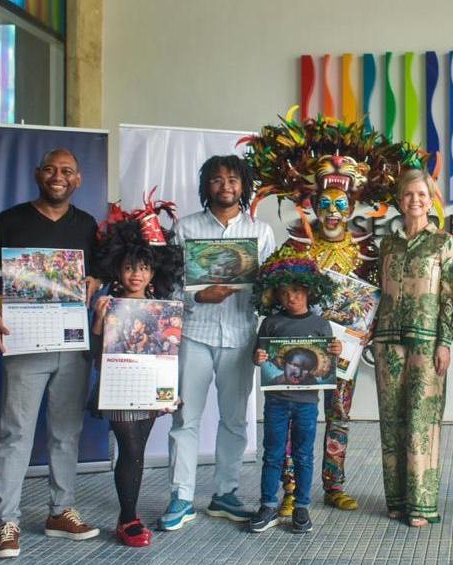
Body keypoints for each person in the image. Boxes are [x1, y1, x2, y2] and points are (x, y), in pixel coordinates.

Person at [0, 149, 101, 559]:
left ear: (77, 179)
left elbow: (98, 273)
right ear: (37, 174)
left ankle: (60, 511)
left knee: (66, 432)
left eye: (67, 171)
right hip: (25, 344)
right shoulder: (8, 221)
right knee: (15, 434)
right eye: (50, 169)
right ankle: (6, 521)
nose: (57, 176)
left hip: (72, 344)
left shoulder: (87, 225)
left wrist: (95, 280)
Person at [160, 155, 275, 530]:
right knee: (185, 418)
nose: (226, 186)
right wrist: (197, 297)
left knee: (235, 420)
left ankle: (225, 492)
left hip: (241, 336)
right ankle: (181, 497)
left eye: (233, 179)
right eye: (217, 179)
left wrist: (266, 296)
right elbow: (168, 286)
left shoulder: (261, 232)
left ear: (244, 185)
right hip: (194, 333)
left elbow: (273, 288)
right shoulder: (185, 228)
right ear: (205, 185)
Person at [263, 155, 380, 515]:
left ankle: (334, 485)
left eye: (340, 205)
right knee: (291, 417)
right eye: (325, 204)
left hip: (342, 352)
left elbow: (377, 301)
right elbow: (268, 292)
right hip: (297, 352)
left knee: (339, 416)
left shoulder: (366, 253)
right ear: (313, 205)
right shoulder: (295, 247)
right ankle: (290, 489)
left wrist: (368, 332)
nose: (332, 212)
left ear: (351, 208)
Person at [89, 202, 185, 547]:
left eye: (143, 268)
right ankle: (129, 518)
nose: (136, 275)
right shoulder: (108, 303)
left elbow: (168, 353)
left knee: (138, 452)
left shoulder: (163, 307)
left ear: (153, 271)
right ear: (117, 268)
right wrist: (99, 320)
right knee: (130, 451)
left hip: (150, 388)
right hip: (118, 387)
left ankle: (125, 516)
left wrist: (170, 388)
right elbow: (95, 355)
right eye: (129, 267)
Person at [372, 168, 453, 527]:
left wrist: (445, 342)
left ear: (431, 199)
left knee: (422, 421)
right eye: (409, 194)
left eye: (422, 194)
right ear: (399, 199)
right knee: (392, 421)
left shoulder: (443, 243)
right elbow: (377, 293)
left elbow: (450, 297)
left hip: (427, 341)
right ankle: (396, 500)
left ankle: (421, 504)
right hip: (387, 341)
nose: (415, 200)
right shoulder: (388, 245)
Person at [246, 257, 343, 534]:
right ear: (276, 295)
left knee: (303, 455)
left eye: (297, 292)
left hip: (307, 404)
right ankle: (268, 505)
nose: (291, 298)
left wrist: (336, 352)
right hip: (276, 401)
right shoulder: (270, 323)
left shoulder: (321, 325)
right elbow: (257, 357)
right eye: (285, 293)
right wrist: (258, 357)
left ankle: (302, 506)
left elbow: (330, 363)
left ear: (309, 292)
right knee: (272, 454)